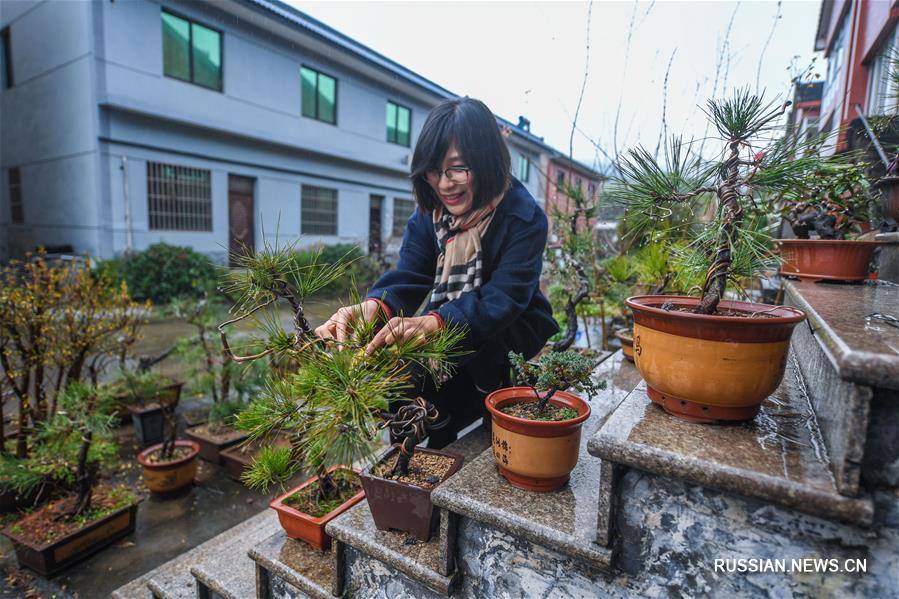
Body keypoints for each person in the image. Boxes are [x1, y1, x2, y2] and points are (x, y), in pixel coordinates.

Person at [314, 97, 558, 448]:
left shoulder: (523, 215)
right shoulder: (429, 214)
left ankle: (486, 416)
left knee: (477, 364)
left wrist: (435, 323)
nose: (444, 184)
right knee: (401, 361)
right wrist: (375, 306)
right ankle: (414, 445)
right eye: (433, 170)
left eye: (457, 169)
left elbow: (505, 297)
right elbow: (410, 275)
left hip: (510, 327)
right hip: (451, 316)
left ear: (486, 161)